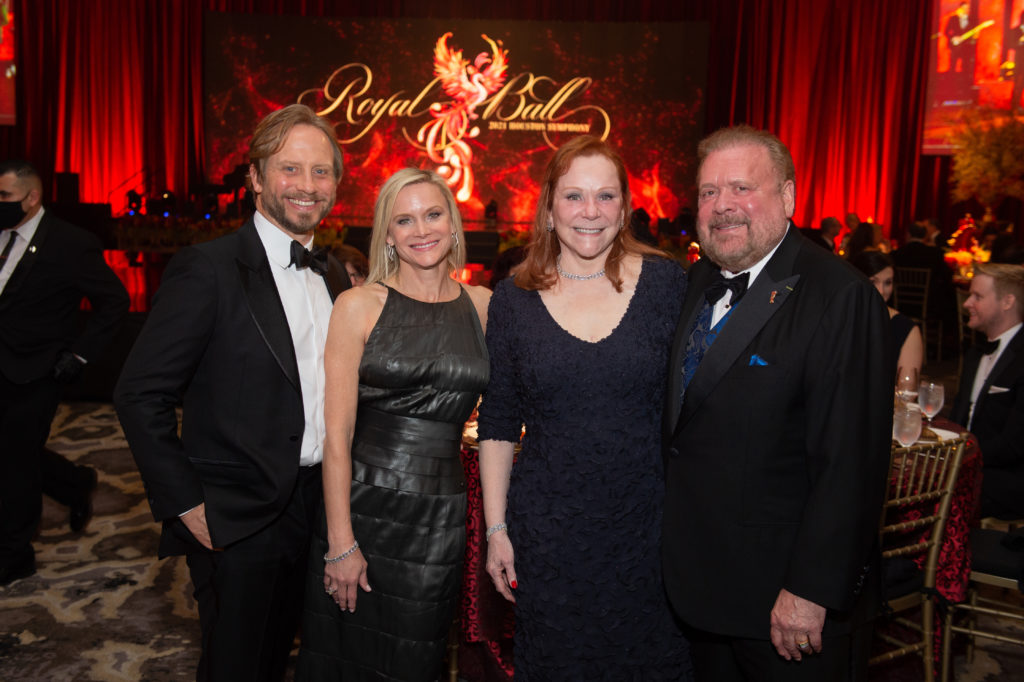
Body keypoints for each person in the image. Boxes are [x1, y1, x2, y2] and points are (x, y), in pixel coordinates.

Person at [114, 104, 352, 681]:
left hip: (318, 508)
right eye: (289, 169)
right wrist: (186, 505)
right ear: (255, 178)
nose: (306, 185)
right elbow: (139, 394)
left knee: (287, 657)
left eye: (321, 172)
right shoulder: (208, 269)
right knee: (237, 666)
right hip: (239, 514)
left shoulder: (335, 274)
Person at [662, 125, 891, 681]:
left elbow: (851, 464)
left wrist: (810, 590)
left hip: (785, 607)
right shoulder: (696, 282)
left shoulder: (840, 295)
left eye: (742, 188)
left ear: (787, 197)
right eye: (710, 192)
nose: (723, 207)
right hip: (701, 592)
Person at [477, 135, 692, 679]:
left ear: (624, 208)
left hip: (652, 534)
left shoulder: (669, 284)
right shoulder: (513, 300)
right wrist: (498, 531)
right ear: (549, 208)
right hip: (548, 539)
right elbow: (499, 425)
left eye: (605, 196)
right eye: (574, 196)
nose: (590, 212)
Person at [297, 168, 490, 680]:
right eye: (403, 220)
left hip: (440, 515)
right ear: (386, 233)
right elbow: (335, 435)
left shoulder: (485, 305)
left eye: (432, 214)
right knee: (344, 658)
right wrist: (341, 542)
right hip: (362, 505)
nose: (421, 229)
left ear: (453, 222)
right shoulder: (357, 305)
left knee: (417, 658)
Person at [0, 160, 129, 586]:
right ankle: (74, 484)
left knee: (15, 459)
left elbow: (113, 301)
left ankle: (15, 554)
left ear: (31, 197)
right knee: (14, 451)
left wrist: (80, 355)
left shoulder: (71, 243)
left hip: (37, 370)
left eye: (4, 197)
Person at [950, 263, 1024, 519]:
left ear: (1007, 302)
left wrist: (959, 461)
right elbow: (958, 420)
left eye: (977, 296)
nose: (967, 303)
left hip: (1006, 479)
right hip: (969, 467)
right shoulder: (974, 353)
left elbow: (1015, 445)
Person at [851, 251, 924, 381]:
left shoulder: (904, 329)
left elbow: (907, 391)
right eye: (873, 281)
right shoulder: (841, 319)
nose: (881, 290)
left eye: (888, 283)